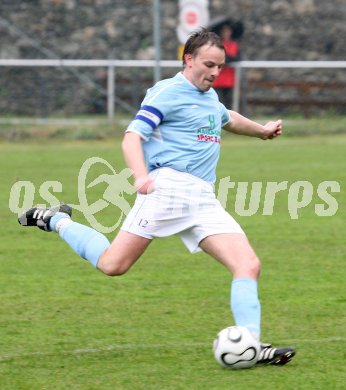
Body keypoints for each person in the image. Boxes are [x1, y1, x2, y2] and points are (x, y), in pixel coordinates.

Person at [18, 28, 295, 366]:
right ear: (188, 59)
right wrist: (141, 176)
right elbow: (132, 137)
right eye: (208, 64)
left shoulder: (208, 96)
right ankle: (56, 220)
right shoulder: (166, 92)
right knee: (112, 264)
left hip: (202, 197)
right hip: (167, 191)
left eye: (220, 67)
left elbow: (227, 118)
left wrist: (262, 130)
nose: (214, 73)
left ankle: (250, 343)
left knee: (248, 265)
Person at [212, 23, 240, 108]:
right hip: (218, 79)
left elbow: (237, 58)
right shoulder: (218, 44)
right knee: (218, 101)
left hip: (230, 80)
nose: (226, 33)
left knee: (229, 103)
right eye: (224, 31)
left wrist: (227, 57)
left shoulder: (234, 44)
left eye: (228, 31)